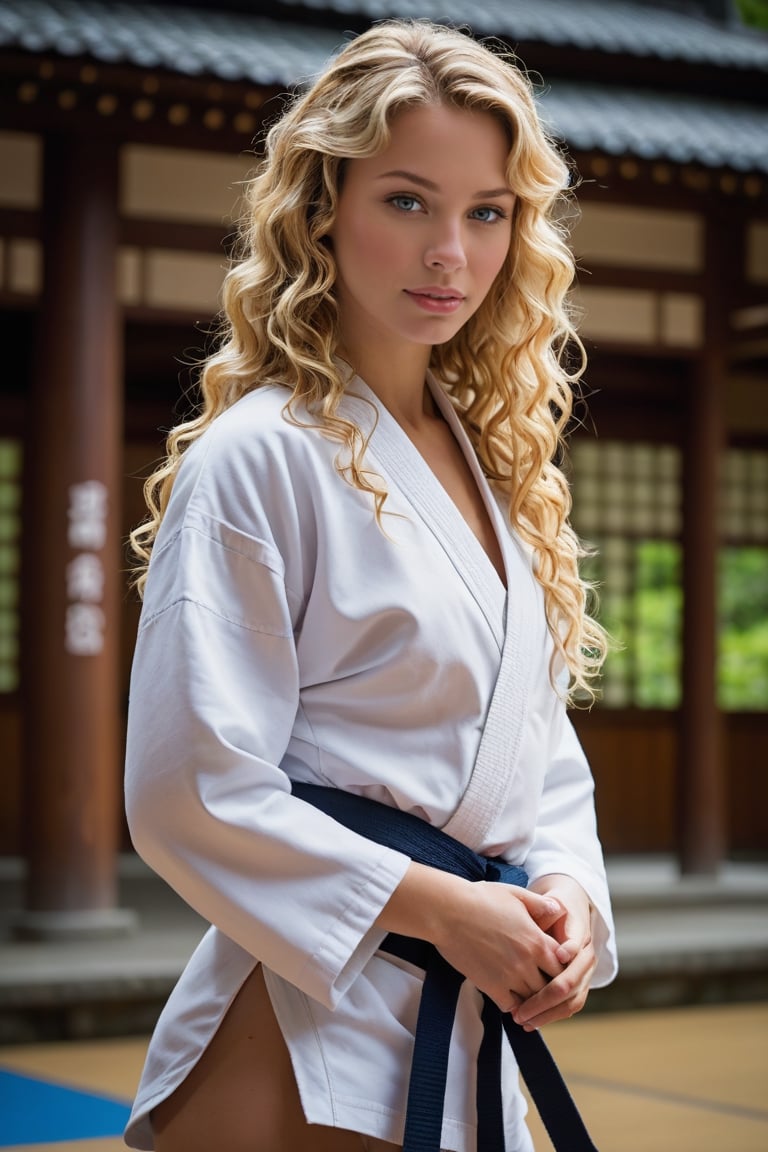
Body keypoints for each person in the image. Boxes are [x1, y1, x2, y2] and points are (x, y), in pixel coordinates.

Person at [124, 17, 617, 1152]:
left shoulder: (498, 470)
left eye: (486, 212)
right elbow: (189, 787)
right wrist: (446, 909)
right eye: (407, 201)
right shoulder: (258, 459)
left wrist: (569, 902)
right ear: (322, 211)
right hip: (307, 1022)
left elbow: (536, 757)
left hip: (472, 995)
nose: (451, 250)